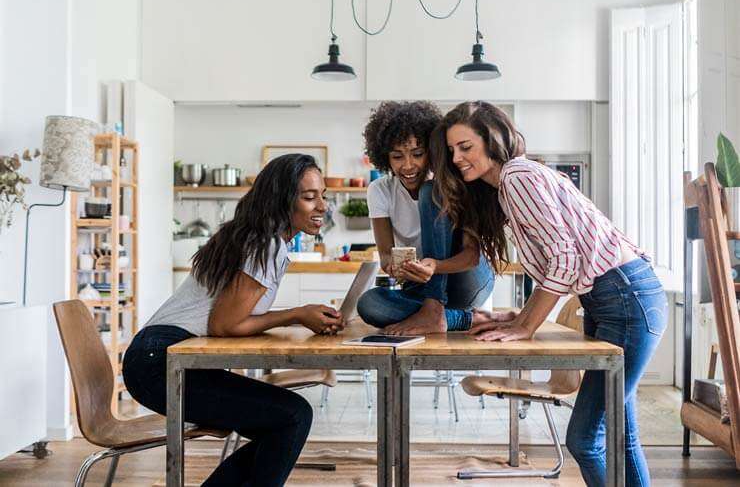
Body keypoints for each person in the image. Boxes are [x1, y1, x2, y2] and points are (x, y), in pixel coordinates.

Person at [431, 101, 667, 487]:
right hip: (616, 296)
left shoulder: (516, 177)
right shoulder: (511, 183)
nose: (456, 158)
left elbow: (564, 257)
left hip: (624, 297)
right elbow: (562, 261)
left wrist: (527, 326)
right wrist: (520, 318)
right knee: (619, 434)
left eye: (466, 147)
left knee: (586, 439)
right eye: (452, 150)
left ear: (493, 140)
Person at [122, 154, 344, 487]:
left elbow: (231, 318)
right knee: (293, 416)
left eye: (322, 195)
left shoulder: (259, 238)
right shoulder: (265, 243)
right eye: (309, 197)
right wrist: (296, 313)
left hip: (159, 357)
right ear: (282, 200)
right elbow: (225, 326)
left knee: (282, 422)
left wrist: (297, 317)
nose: (322, 206)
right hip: (161, 364)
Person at [356, 101, 495, 335]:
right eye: (397, 156)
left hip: (465, 278)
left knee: (430, 190)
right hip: (419, 284)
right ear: (385, 158)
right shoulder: (380, 190)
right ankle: (464, 319)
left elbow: (471, 257)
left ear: (432, 151)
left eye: (418, 154)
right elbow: (386, 256)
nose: (408, 165)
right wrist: (396, 267)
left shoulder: (452, 185)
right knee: (370, 304)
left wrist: (436, 266)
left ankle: (434, 310)